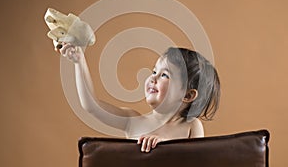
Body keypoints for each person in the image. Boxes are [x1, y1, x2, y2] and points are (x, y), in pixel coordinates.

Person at [58, 43, 220, 153]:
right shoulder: (133, 120)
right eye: (154, 71)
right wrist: (79, 61)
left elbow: (196, 162)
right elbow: (91, 106)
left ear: (187, 95)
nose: (153, 78)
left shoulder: (191, 126)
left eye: (164, 75)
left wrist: (165, 147)